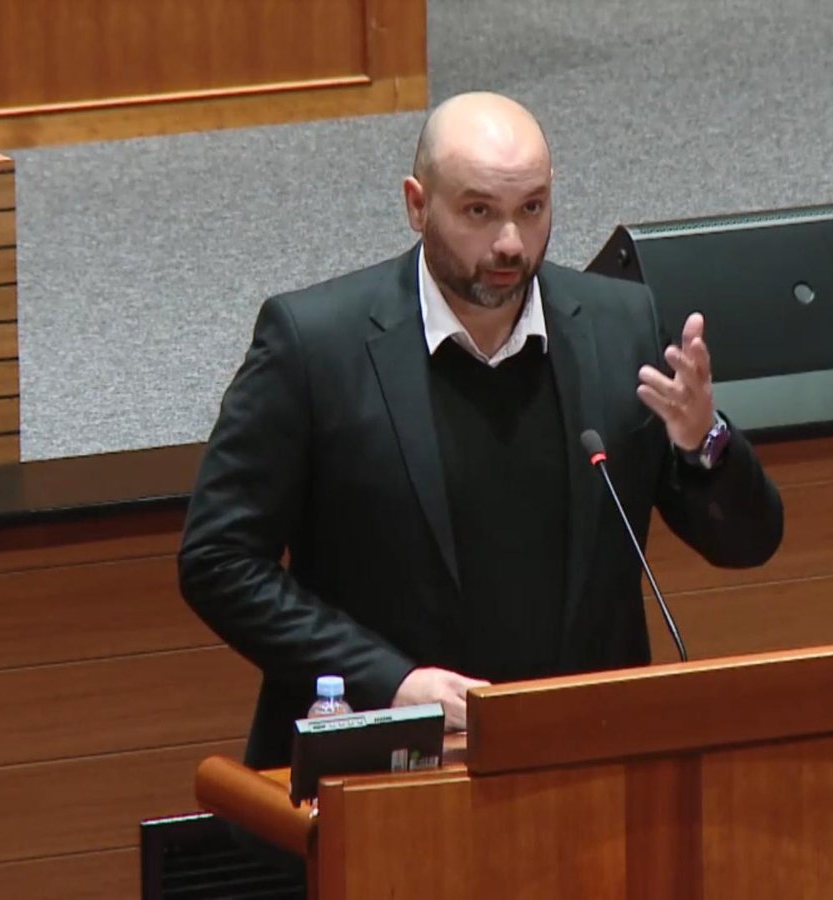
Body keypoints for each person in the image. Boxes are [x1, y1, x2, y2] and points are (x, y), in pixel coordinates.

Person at [179, 91, 784, 768]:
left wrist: (705, 442)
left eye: (532, 208)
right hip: (388, 773)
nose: (510, 243)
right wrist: (390, 682)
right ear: (417, 205)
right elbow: (219, 560)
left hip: (585, 762)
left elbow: (748, 543)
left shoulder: (620, 327)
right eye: (478, 212)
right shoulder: (315, 346)